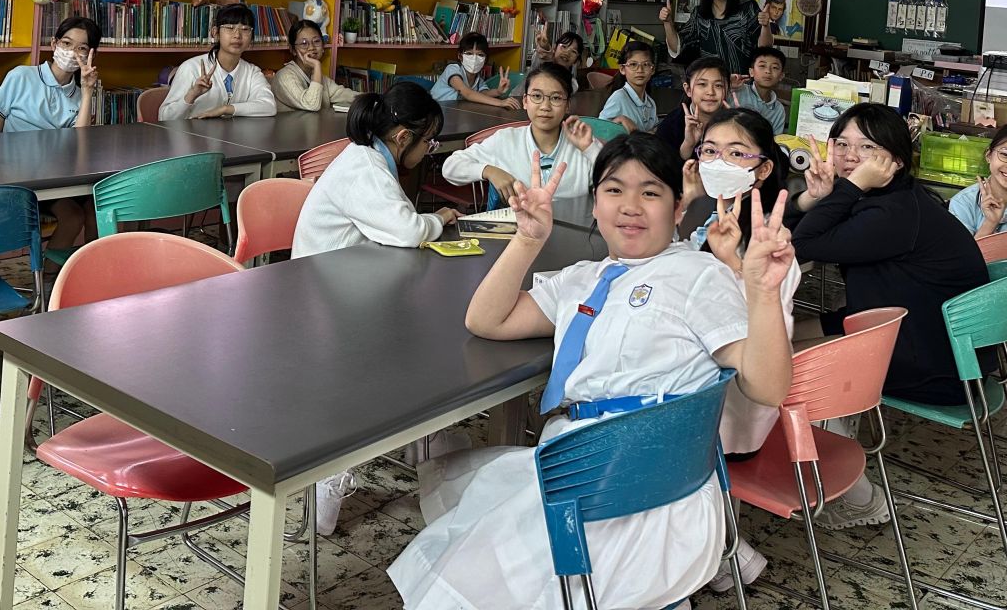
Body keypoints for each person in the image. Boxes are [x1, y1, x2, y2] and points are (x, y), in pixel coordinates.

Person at [388, 134, 795, 610]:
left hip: (627, 494)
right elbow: (487, 320)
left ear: (678, 209)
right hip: (588, 474)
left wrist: (763, 295)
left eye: (650, 192)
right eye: (614, 190)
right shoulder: (582, 278)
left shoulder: (697, 276)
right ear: (595, 205)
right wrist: (527, 240)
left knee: (463, 569)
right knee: (469, 519)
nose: (630, 206)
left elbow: (767, 387)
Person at [787, 104, 990, 529]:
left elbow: (802, 243)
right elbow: (792, 230)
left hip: (931, 365)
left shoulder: (890, 213)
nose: (849, 156)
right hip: (916, 335)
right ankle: (838, 426)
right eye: (842, 143)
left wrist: (848, 187)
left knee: (782, 370)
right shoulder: (893, 199)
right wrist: (825, 195)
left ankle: (861, 498)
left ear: (895, 161)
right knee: (783, 336)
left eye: (866, 147)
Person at [292, 82, 462, 535]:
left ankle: (422, 438)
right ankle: (335, 476)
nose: (430, 151)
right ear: (403, 137)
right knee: (423, 339)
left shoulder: (371, 158)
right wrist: (439, 219)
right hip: (326, 299)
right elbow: (406, 231)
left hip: (350, 283)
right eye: (429, 142)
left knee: (419, 330)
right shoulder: (364, 169)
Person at [678, 105, 803, 593]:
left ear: (763, 168)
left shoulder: (770, 238)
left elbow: (754, 320)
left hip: (736, 402)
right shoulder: (711, 218)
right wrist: (687, 203)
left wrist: (731, 261)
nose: (718, 162)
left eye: (735, 154)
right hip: (713, 386)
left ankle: (722, 548)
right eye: (710, 151)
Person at [0, 16, 102, 255]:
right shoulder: (21, 76)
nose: (72, 53)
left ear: (92, 54)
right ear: (54, 43)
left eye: (81, 48)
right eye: (67, 43)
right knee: (72, 216)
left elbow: (80, 142)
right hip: (21, 174)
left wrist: (87, 92)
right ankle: (51, 274)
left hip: (61, 174)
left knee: (99, 210)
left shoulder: (79, 94)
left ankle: (92, 271)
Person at [440, 63, 601, 226]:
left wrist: (589, 149)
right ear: (525, 101)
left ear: (568, 105)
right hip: (518, 235)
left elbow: (614, 181)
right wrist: (489, 171)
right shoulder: (506, 140)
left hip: (573, 234)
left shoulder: (583, 145)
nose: (545, 106)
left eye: (556, 98)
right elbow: (450, 167)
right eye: (536, 96)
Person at [157, 4, 276, 120]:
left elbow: (269, 106)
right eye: (230, 28)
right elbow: (164, 117)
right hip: (191, 133)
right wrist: (192, 94)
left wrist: (225, 109)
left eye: (245, 29)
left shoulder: (252, 72)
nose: (237, 35)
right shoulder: (191, 68)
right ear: (215, 33)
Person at [659, 0, 762, 77]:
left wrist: (766, 26)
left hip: (743, 81)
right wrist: (667, 22)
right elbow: (677, 47)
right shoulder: (699, 13)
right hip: (712, 82)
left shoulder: (748, 7)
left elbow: (764, 46)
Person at [272, 17, 357, 113]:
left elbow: (344, 95)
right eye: (304, 43)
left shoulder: (320, 78)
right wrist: (317, 65)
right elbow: (311, 105)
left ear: (323, 46)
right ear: (293, 50)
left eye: (316, 41)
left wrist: (369, 99)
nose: (311, 48)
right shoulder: (284, 77)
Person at [654, 54, 730, 160]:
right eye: (702, 84)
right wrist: (688, 145)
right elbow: (663, 167)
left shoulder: (737, 124)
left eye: (718, 85)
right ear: (688, 89)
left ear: (727, 90)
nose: (710, 92)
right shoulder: (670, 126)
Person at [429, 32, 520, 109]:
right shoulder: (452, 69)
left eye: (480, 55)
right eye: (469, 53)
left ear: (485, 59)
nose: (474, 58)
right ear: (460, 56)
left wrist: (498, 91)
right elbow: (467, 93)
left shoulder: (478, 80)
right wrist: (500, 103)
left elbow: (483, 94)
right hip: (433, 111)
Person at [598, 39, 658, 132]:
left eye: (646, 64)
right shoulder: (619, 98)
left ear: (652, 69)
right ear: (622, 69)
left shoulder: (650, 103)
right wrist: (619, 120)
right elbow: (600, 131)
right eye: (633, 64)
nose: (640, 70)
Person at [733, 45, 789, 136]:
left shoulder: (778, 109)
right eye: (762, 66)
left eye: (775, 67)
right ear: (751, 72)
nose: (768, 71)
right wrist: (726, 82)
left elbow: (774, 140)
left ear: (781, 76)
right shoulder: (736, 92)